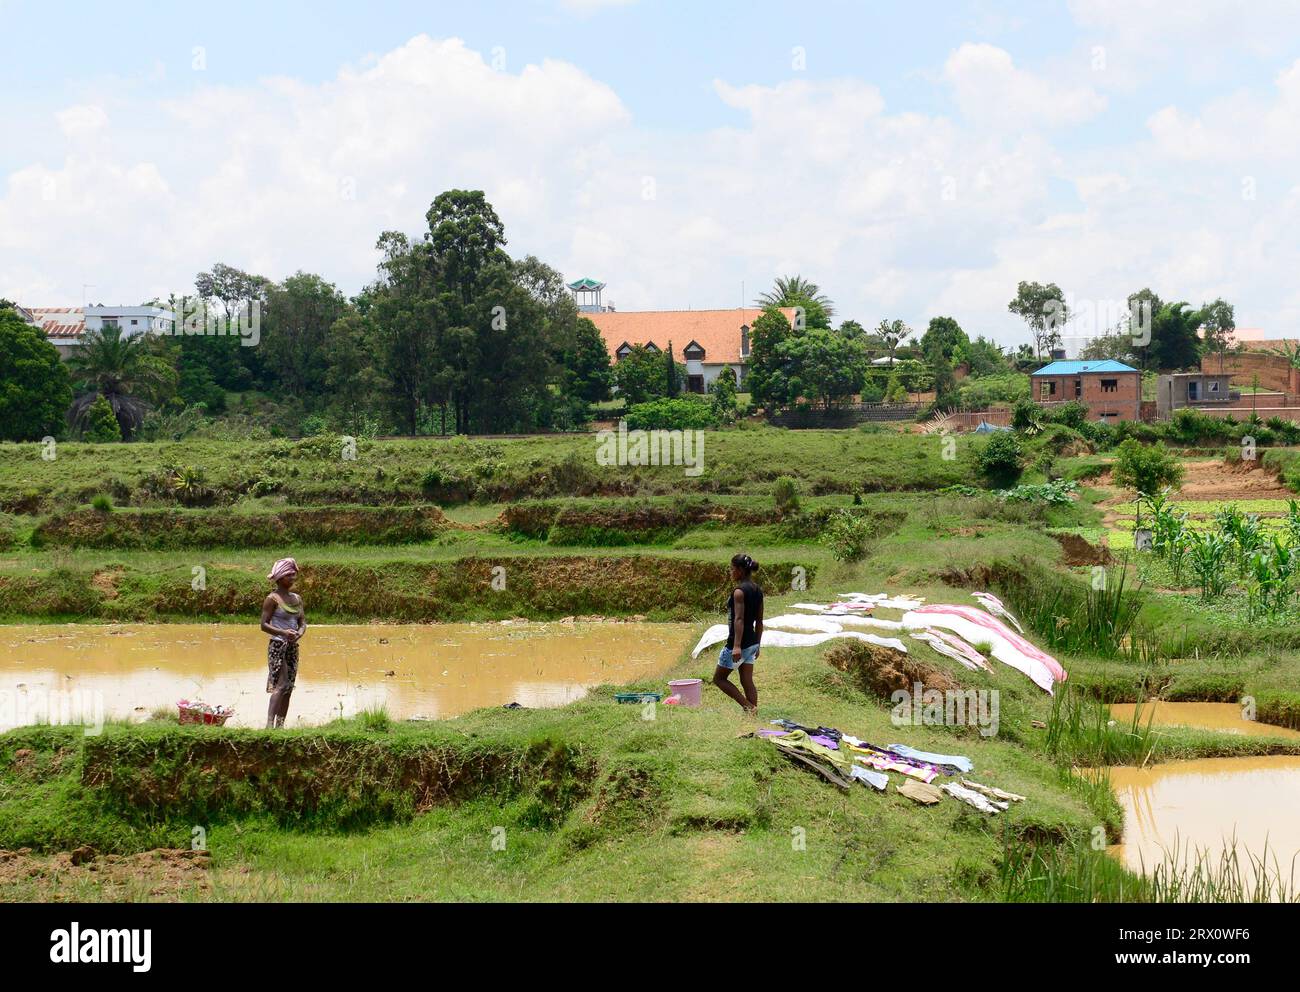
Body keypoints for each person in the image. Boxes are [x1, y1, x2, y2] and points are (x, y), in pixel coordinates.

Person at [713, 553, 763, 713]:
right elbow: (759, 621)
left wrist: (736, 646)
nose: (730, 572)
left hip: (739, 642)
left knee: (719, 679)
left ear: (740, 570)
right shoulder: (757, 590)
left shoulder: (739, 592)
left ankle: (748, 706)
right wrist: (758, 644)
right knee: (746, 679)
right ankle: (753, 711)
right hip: (752, 641)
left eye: (732, 568)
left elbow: (739, 619)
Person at [262, 557, 306, 728]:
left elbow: (302, 622)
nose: (293, 578)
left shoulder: (297, 599)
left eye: (294, 575)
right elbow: (263, 625)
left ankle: (279, 726)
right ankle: (268, 726)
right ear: (280, 578)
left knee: (288, 688)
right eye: (289, 575)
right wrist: (283, 632)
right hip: (278, 646)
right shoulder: (272, 599)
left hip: (292, 647)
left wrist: (299, 633)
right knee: (281, 685)